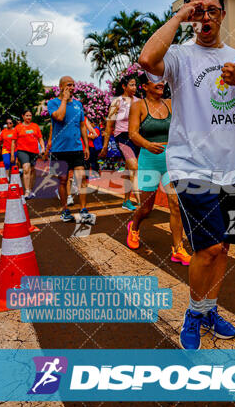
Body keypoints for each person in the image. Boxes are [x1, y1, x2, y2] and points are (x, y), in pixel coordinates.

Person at [139, 0, 235, 350]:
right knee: (208, 248)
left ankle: (209, 308)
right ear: (190, 17)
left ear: (223, 15)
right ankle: (194, 313)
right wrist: (179, 15)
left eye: (211, 9)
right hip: (191, 166)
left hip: (234, 171)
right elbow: (147, 60)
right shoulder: (179, 55)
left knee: (224, 247)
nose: (204, 16)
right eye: (197, 10)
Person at [127, 74, 191, 265]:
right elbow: (132, 133)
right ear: (145, 86)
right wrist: (147, 144)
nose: (161, 83)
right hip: (148, 160)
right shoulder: (138, 106)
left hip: (171, 160)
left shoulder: (171, 104)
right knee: (146, 208)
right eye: (156, 80)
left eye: (162, 80)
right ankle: (134, 227)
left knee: (175, 203)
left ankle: (178, 249)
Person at [47, 76, 92, 223]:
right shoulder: (53, 103)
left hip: (76, 148)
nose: (72, 87)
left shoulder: (78, 105)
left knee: (82, 178)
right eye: (68, 85)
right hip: (59, 149)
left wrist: (85, 145)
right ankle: (65, 210)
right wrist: (64, 100)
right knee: (63, 180)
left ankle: (83, 210)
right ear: (61, 87)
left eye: (73, 85)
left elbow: (82, 126)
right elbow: (59, 117)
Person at [100, 75, 140, 210]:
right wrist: (105, 146)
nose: (134, 87)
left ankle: (126, 201)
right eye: (131, 85)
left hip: (136, 137)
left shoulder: (139, 101)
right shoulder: (117, 102)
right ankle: (141, 202)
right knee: (134, 167)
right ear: (124, 86)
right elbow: (109, 125)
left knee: (129, 170)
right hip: (122, 136)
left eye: (135, 85)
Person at [11, 110, 45, 198]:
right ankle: (26, 191)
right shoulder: (18, 128)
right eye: (27, 115)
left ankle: (30, 189)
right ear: (23, 116)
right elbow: (13, 142)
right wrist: (12, 155)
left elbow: (40, 138)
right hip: (22, 151)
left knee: (32, 170)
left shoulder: (35, 126)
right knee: (26, 168)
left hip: (34, 152)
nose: (29, 117)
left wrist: (43, 148)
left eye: (30, 116)